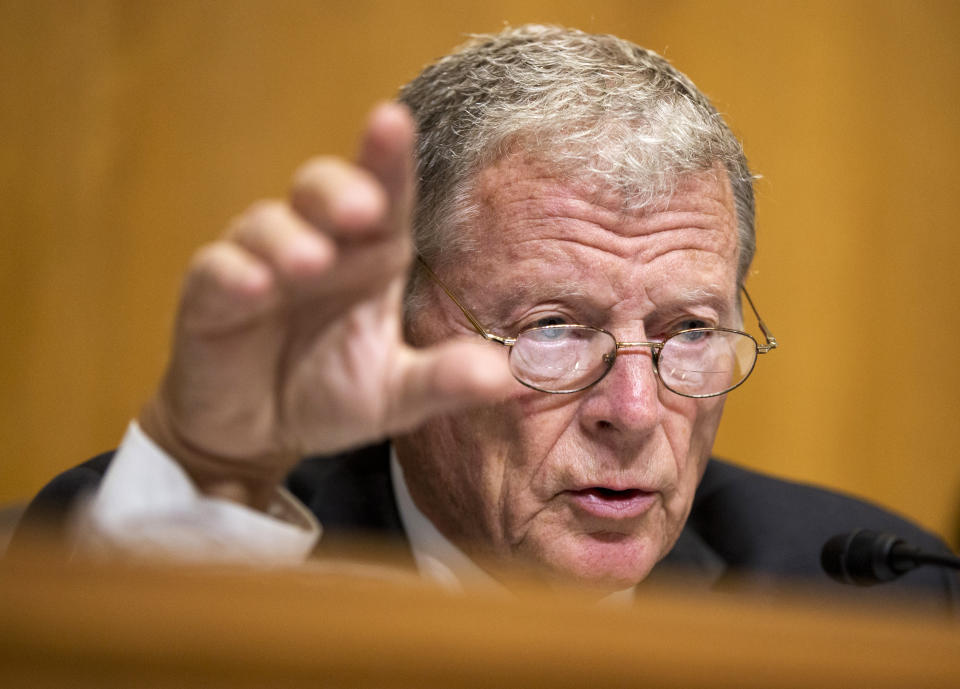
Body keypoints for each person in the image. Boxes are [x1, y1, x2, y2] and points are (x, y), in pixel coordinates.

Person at [13, 25, 959, 608]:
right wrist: (211, 471)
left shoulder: (868, 596)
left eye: (689, 332)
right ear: (397, 316)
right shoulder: (178, 551)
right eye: (554, 326)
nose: (632, 410)